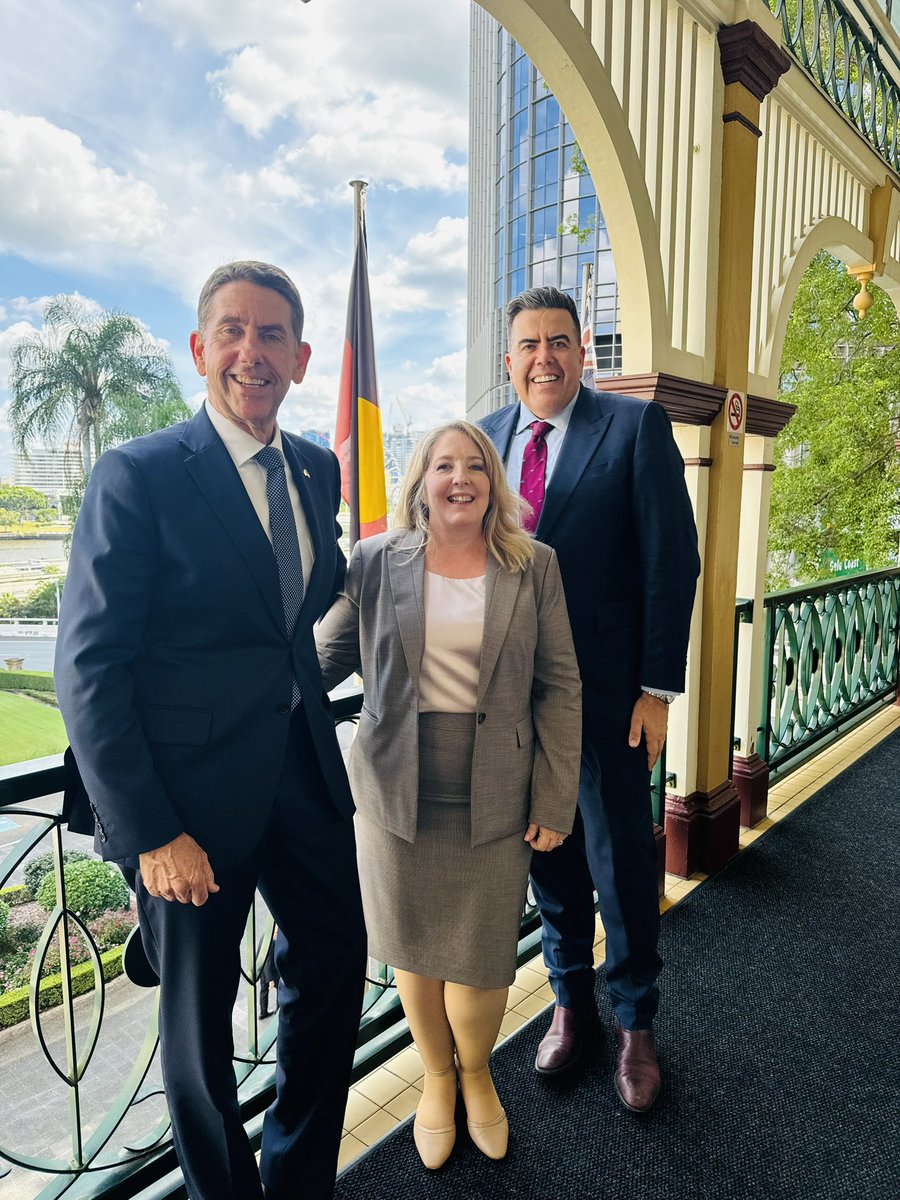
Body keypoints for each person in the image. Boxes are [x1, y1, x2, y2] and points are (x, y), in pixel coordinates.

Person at [54, 261, 367, 1200]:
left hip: (303, 775)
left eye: (272, 335)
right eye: (232, 331)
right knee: (197, 1024)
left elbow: (308, 599)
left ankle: (297, 1175)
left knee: (337, 963)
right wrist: (148, 830)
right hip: (185, 806)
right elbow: (88, 668)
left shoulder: (315, 468)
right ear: (200, 349)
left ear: (302, 357)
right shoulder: (138, 475)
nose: (251, 352)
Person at [315, 420, 581, 1169]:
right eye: (443, 466)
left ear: (494, 482)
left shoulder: (534, 566)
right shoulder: (372, 562)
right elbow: (320, 661)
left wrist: (554, 800)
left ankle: (476, 1072)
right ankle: (437, 1081)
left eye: (474, 466)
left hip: (498, 791)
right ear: (421, 483)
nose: (459, 478)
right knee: (414, 959)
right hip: (395, 795)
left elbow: (561, 685)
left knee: (481, 964)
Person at [480, 286, 700, 1112]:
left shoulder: (634, 427)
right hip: (514, 706)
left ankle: (638, 1023)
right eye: (529, 344)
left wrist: (657, 689)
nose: (544, 357)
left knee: (621, 864)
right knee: (552, 859)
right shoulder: (488, 442)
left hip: (609, 700)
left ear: (584, 353)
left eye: (559, 341)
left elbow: (671, 562)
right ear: (509, 363)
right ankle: (571, 1006)